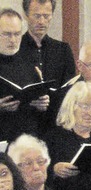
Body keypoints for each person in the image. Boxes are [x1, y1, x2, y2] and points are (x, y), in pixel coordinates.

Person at [0, 8, 50, 141]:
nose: (13, 40)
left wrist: (42, 105)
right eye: (7, 34)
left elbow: (41, 116)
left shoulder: (30, 64)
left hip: (28, 139)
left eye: (17, 34)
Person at [17, 0, 75, 89]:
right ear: (26, 15)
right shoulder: (15, 48)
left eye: (46, 16)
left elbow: (70, 89)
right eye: (37, 16)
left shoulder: (63, 50)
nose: (41, 21)